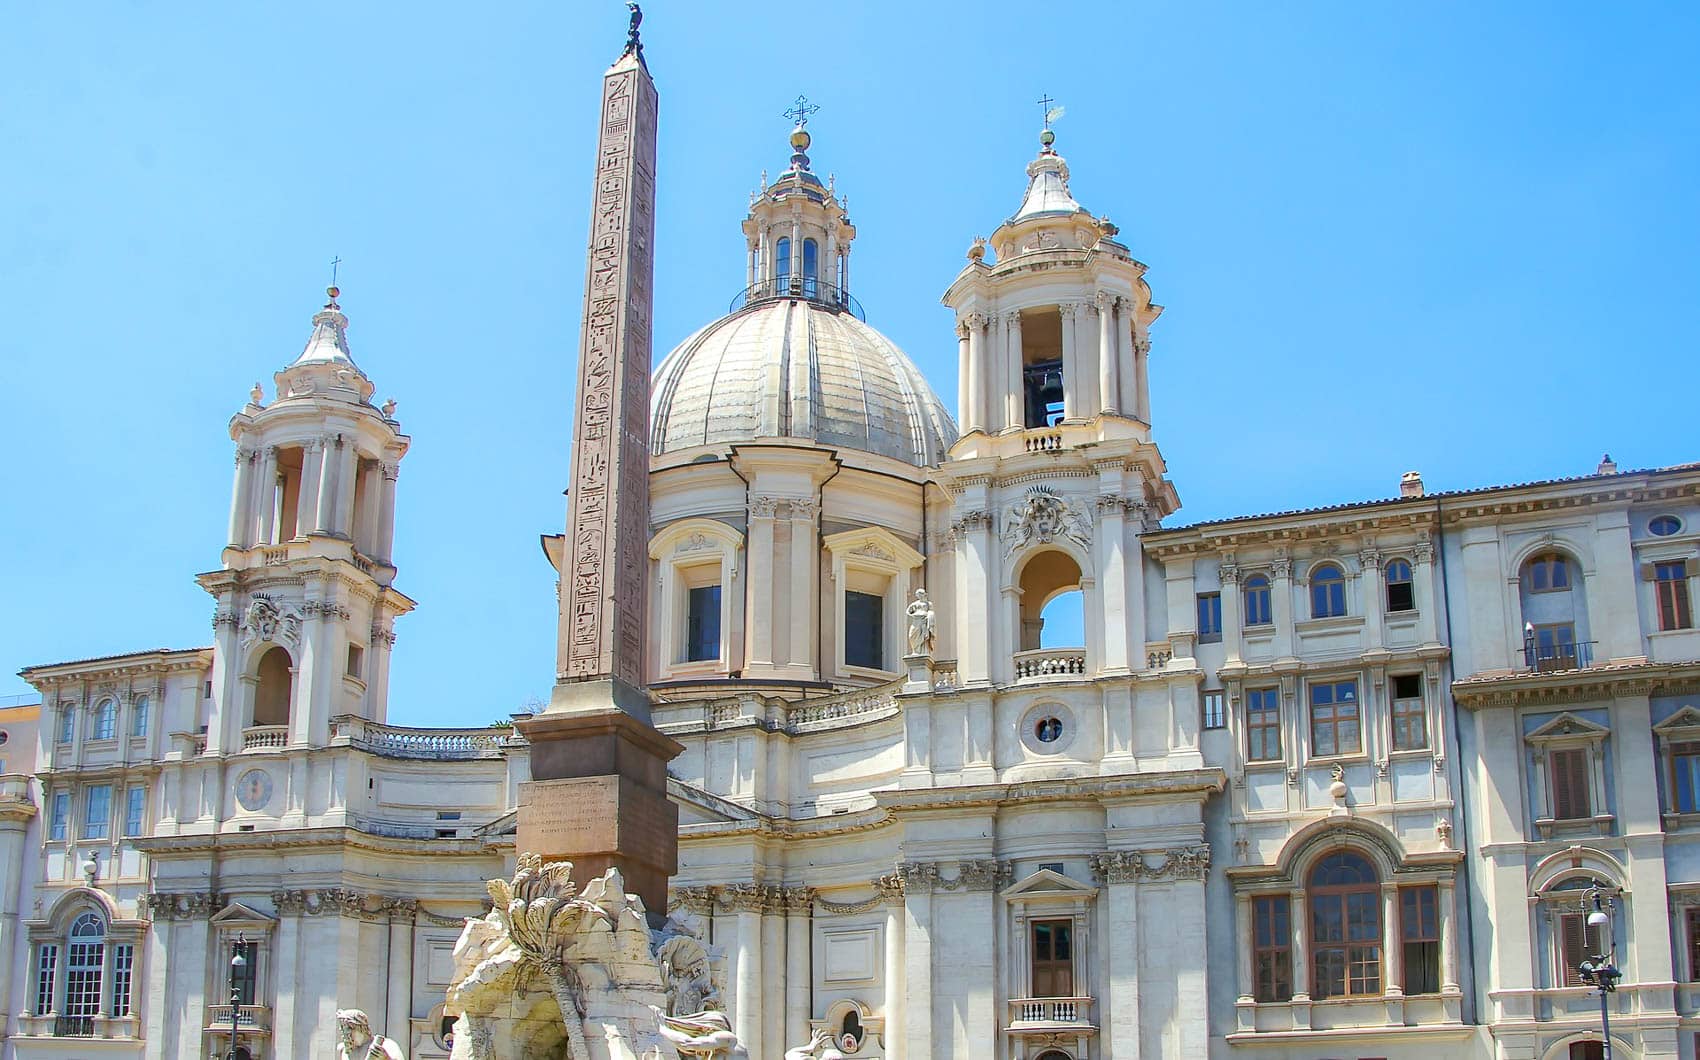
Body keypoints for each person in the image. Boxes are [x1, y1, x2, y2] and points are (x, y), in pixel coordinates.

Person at [335, 1009, 406, 1060]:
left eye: (349, 1031)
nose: (347, 1038)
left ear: (361, 1028)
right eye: (344, 1032)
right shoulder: (343, 1049)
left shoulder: (386, 1045)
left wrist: (386, 1058)